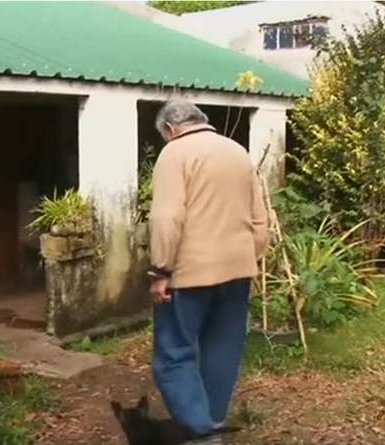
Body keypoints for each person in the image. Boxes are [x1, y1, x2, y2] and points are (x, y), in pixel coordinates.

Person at [147, 100, 270, 444]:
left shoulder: (174, 153)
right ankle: (211, 423)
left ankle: (201, 434)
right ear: (201, 120)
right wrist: (249, 260)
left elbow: (167, 218)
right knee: (222, 350)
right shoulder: (237, 152)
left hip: (189, 276)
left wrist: (160, 270)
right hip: (238, 272)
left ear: (170, 129)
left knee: (172, 357)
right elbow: (260, 221)